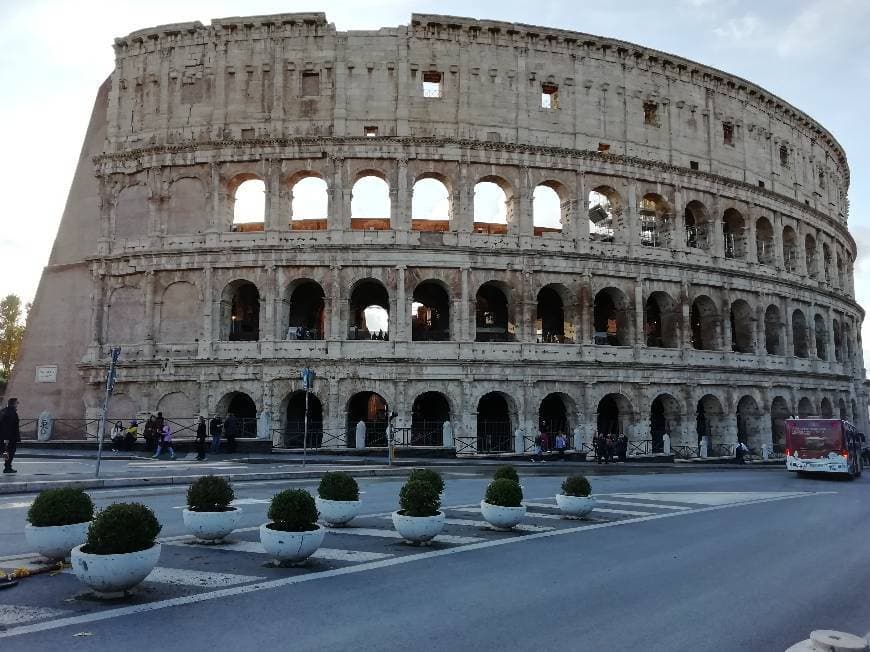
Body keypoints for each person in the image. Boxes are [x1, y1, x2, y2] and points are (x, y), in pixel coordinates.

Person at [0, 398, 21, 474]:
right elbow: (11, 427)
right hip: (9, 438)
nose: (17, 404)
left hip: (4, 437)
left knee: (6, 452)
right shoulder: (12, 413)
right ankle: (7, 466)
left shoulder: (3, 411)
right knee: (10, 452)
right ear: (14, 404)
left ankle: (7, 466)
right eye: (17, 403)